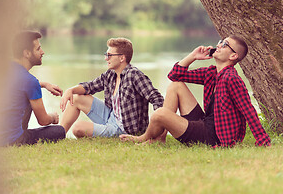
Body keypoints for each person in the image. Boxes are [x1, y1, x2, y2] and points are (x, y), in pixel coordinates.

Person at [120, 35, 271, 147]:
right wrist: (193, 56)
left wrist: (262, 139)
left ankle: (144, 138)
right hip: (206, 123)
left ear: (233, 56)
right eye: (220, 42)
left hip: (215, 136)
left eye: (224, 45)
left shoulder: (232, 79)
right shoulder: (212, 73)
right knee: (176, 85)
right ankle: (160, 138)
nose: (218, 45)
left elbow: (248, 110)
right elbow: (174, 75)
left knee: (159, 114)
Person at [59, 37, 164, 138]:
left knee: (78, 128)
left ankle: (105, 136)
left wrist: (154, 130)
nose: (106, 58)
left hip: (125, 129)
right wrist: (70, 90)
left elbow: (157, 99)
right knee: (76, 97)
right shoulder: (110, 74)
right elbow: (90, 86)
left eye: (109, 55)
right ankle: (58, 135)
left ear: (122, 58)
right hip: (111, 116)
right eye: (106, 55)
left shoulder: (134, 75)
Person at [0, 31, 65, 146]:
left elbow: (19, 85)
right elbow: (43, 121)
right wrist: (53, 118)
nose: (42, 52)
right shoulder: (30, 81)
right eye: (38, 49)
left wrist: (44, 84)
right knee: (59, 131)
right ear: (27, 53)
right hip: (13, 141)